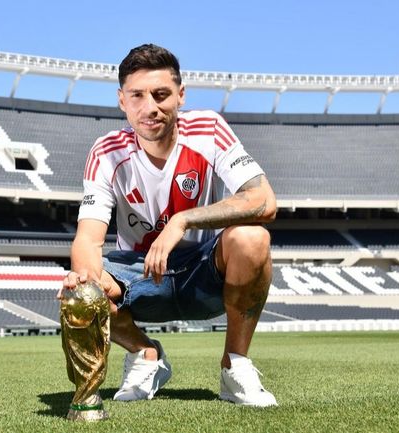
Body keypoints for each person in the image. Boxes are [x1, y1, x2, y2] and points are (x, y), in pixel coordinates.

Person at [59, 43, 278, 407]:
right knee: (81, 286)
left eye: (161, 95)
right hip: (140, 277)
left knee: (252, 238)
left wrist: (183, 220)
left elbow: (263, 200)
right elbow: (88, 240)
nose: (150, 107)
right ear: (121, 101)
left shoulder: (208, 129)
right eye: (137, 96)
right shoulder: (106, 151)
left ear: (180, 96)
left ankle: (235, 366)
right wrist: (83, 282)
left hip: (204, 273)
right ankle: (146, 355)